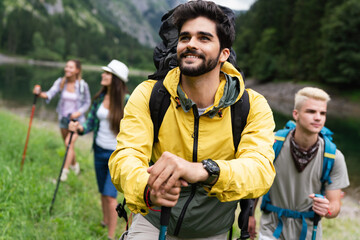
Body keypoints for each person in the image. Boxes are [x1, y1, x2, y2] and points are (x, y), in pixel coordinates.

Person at [109, 1, 276, 239]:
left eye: (204, 38)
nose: (191, 44)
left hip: (213, 231)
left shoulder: (251, 105)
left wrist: (204, 170)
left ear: (223, 54)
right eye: (185, 37)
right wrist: (149, 188)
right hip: (153, 222)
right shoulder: (150, 94)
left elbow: (259, 171)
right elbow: (124, 158)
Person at [249, 87, 350, 240]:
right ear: (296, 114)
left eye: (322, 113)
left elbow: (335, 206)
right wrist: (250, 216)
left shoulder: (334, 156)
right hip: (271, 229)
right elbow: (254, 185)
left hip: (309, 233)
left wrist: (327, 209)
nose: (318, 118)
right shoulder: (272, 144)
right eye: (311, 111)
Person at [68, 59, 129, 240]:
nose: (103, 75)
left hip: (116, 156)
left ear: (117, 79)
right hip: (99, 151)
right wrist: (79, 128)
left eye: (108, 73)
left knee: (111, 197)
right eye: (104, 72)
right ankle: (105, 221)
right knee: (103, 192)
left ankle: (111, 236)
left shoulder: (128, 101)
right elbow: (90, 124)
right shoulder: (100, 99)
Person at [33, 59, 91, 181]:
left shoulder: (82, 85)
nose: (67, 69)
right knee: (69, 146)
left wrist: (78, 112)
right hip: (63, 119)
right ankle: (75, 166)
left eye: (70, 67)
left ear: (77, 70)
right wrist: (39, 94)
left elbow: (87, 102)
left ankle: (63, 174)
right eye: (66, 67)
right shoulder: (61, 82)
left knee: (68, 144)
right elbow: (50, 94)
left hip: (76, 121)